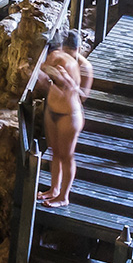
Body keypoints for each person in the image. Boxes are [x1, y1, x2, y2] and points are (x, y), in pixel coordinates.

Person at [37, 40, 94, 208]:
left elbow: (72, 90)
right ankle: (54, 190)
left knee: (66, 156)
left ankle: (64, 196)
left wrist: (61, 77)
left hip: (69, 115)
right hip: (53, 112)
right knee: (55, 153)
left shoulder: (73, 65)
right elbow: (44, 85)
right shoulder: (50, 59)